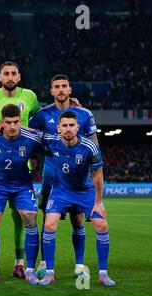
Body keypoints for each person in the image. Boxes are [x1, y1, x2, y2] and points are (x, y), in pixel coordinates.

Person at [28, 74, 99, 279]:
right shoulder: (42, 115)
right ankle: (44, 261)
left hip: (77, 175)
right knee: (48, 218)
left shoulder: (84, 114)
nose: (60, 90)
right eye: (56, 87)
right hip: (51, 173)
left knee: (77, 219)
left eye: (64, 86)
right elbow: (32, 136)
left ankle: (79, 265)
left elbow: (94, 142)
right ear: (51, 91)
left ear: (70, 90)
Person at [37, 111, 115, 286]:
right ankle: (49, 273)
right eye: (64, 125)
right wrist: (1, 127)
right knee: (49, 224)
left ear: (78, 127)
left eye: (72, 125)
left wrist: (99, 202)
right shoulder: (51, 140)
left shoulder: (90, 146)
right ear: (58, 128)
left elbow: (98, 175)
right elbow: (27, 131)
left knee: (102, 224)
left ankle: (103, 274)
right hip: (60, 191)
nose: (68, 129)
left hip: (84, 191)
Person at [0, 61, 40, 279]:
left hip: (21, 164)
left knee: (21, 217)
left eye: (14, 73)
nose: (10, 76)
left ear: (19, 76)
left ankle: (19, 263)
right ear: (0, 77)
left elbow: (41, 124)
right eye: (6, 73)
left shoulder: (30, 96)